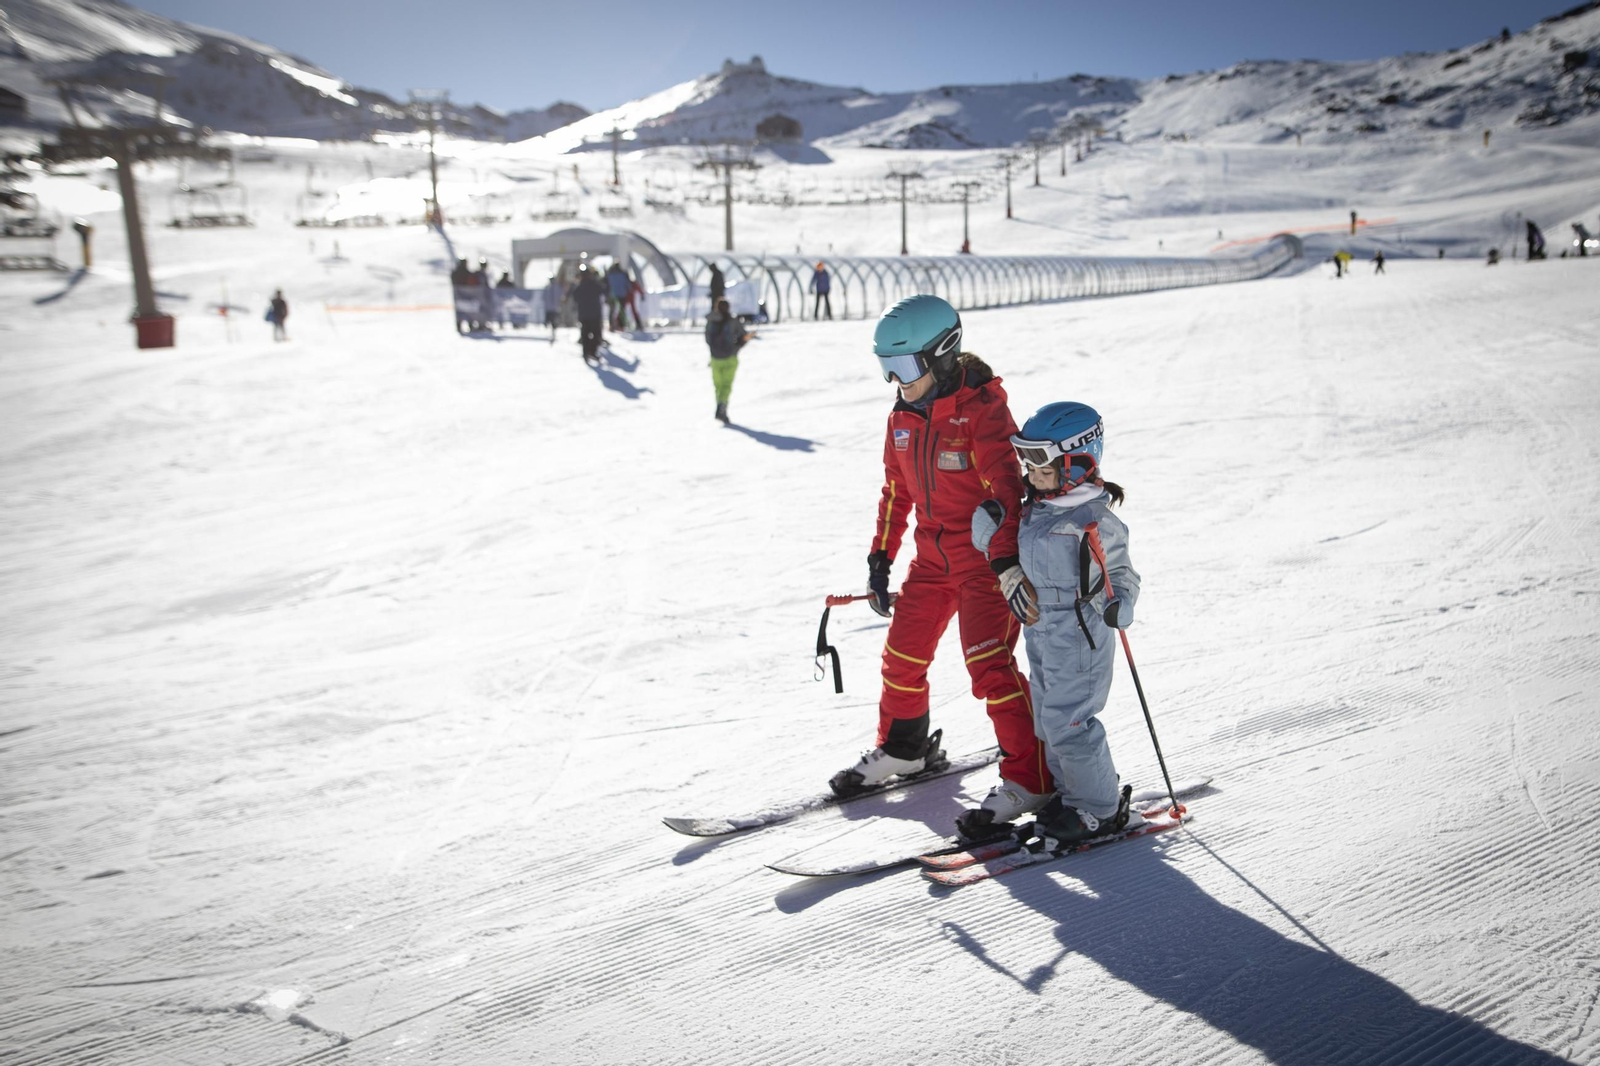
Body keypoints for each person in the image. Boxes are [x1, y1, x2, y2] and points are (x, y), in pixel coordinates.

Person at [831, 295, 1053, 839]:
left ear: (943, 354)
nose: (895, 382)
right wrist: (881, 557)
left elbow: (1006, 493)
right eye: (886, 368)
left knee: (990, 669)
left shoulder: (983, 412)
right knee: (901, 657)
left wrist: (1003, 561)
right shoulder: (902, 416)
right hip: (931, 560)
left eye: (904, 368)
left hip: (983, 562)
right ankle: (905, 750)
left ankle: (1033, 778)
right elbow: (896, 491)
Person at [967, 402, 1140, 846]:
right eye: (1027, 464)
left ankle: (1100, 809)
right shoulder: (1036, 510)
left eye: (1041, 466)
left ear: (1077, 463)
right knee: (1048, 721)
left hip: (1082, 632)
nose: (1030, 475)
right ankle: (1072, 796)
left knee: (1070, 723)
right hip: (1041, 630)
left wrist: (1121, 603)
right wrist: (990, 534)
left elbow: (1121, 574)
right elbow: (1010, 551)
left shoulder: (1093, 520)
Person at [704, 297, 749, 423]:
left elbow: (707, 339)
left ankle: (719, 405)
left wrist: (714, 349)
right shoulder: (733, 320)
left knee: (718, 385)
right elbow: (744, 336)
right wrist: (736, 348)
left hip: (715, 358)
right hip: (730, 357)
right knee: (726, 384)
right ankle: (722, 406)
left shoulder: (710, 320)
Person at [568, 263, 606, 365]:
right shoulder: (594, 284)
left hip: (584, 314)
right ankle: (591, 352)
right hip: (593, 314)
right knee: (595, 334)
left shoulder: (579, 286)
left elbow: (575, 298)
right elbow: (604, 291)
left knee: (585, 334)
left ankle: (587, 352)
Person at [606, 262, 631, 330]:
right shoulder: (622, 274)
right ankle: (621, 325)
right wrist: (629, 289)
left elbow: (607, 284)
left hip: (613, 294)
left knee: (612, 310)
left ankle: (611, 325)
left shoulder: (610, 274)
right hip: (622, 293)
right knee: (621, 310)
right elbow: (627, 284)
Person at [542, 274, 563, 340]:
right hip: (548, 308)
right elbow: (543, 297)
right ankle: (548, 334)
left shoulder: (558, 287)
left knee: (554, 322)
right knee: (548, 322)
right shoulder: (547, 287)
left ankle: (554, 333)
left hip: (555, 308)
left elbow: (561, 296)